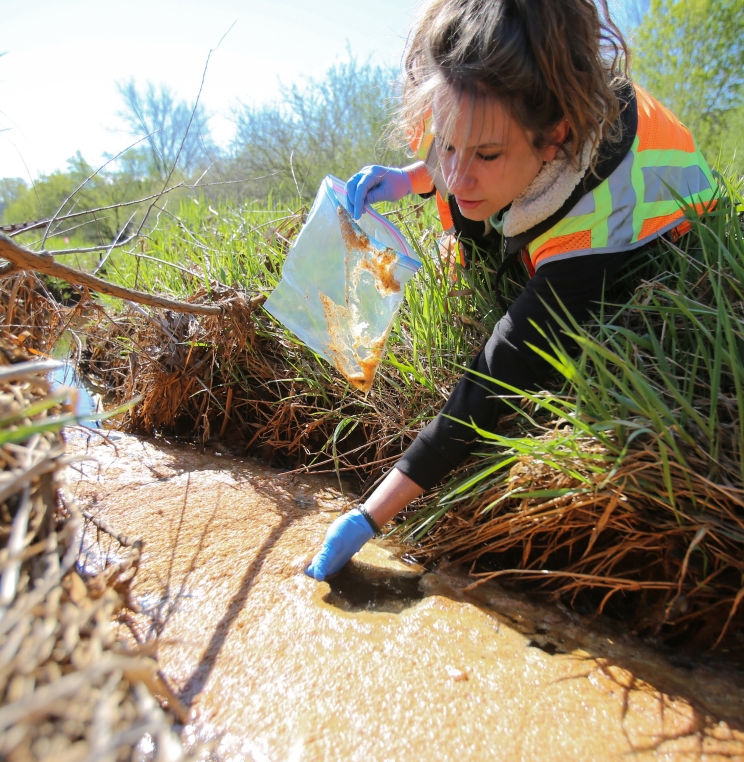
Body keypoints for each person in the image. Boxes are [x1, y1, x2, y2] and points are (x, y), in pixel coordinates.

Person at [305, 0, 716, 580]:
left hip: (648, 228)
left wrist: (369, 519)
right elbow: (467, 150)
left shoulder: (594, 232)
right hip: (527, 169)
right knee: (468, 181)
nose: (454, 174)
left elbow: (492, 381)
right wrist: (408, 179)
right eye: (445, 144)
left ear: (556, 138)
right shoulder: (484, 117)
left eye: (486, 154)